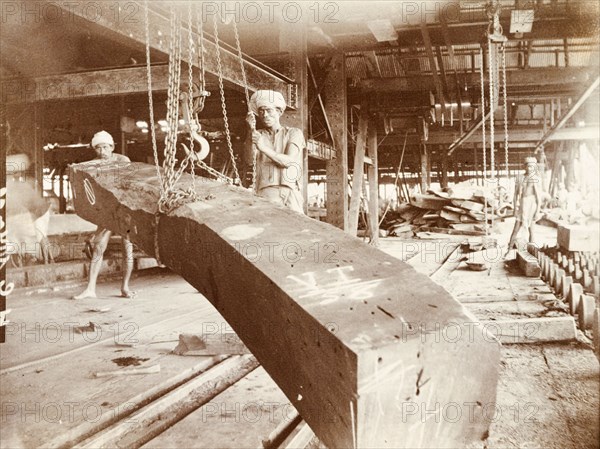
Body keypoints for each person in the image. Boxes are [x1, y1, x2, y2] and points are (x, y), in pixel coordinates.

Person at [73, 131, 136, 299]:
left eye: (105, 147)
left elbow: (129, 184)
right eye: (98, 148)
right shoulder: (93, 164)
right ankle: (90, 289)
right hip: (107, 211)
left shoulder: (123, 160)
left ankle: (125, 287)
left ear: (112, 147)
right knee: (98, 247)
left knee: (127, 249)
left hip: (124, 210)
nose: (102, 152)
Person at [244, 90, 305, 214]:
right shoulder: (257, 135)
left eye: (269, 110)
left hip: (291, 193)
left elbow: (288, 161)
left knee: (299, 229)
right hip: (266, 192)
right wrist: (250, 130)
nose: (265, 115)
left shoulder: (294, 133)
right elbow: (249, 160)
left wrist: (262, 147)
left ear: (279, 112)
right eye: (261, 111)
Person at [506, 156, 542, 254]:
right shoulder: (519, 177)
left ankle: (531, 252)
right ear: (525, 166)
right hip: (522, 204)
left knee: (531, 229)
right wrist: (514, 208)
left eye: (532, 167)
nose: (530, 169)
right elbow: (515, 194)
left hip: (531, 205)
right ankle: (508, 250)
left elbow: (539, 197)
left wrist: (537, 212)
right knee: (516, 228)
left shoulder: (536, 179)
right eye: (528, 166)